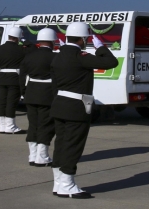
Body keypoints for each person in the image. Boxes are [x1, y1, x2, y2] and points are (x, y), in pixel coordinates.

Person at [49, 22, 118, 199]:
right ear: (83, 39)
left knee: (61, 145)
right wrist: (100, 46)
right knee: (73, 146)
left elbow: (55, 84)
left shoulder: (58, 56)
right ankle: (67, 185)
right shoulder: (80, 56)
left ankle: (58, 183)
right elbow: (111, 62)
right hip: (76, 108)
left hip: (59, 105)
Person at [19, 28, 57, 167]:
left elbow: (22, 77)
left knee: (33, 125)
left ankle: (32, 155)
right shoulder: (55, 57)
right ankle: (42, 157)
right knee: (45, 126)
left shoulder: (28, 57)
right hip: (47, 95)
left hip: (31, 94)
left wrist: (24, 92)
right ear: (52, 42)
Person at [0, 26, 26, 134]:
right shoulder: (21, 50)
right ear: (17, 38)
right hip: (14, 78)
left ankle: (2, 126)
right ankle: (10, 126)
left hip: (1, 78)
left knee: (2, 102)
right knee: (11, 102)